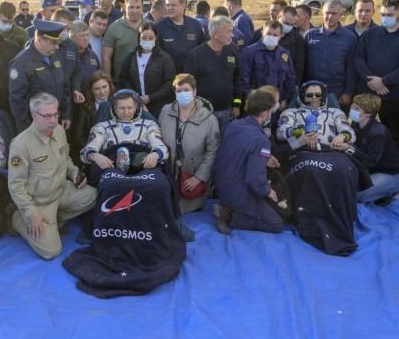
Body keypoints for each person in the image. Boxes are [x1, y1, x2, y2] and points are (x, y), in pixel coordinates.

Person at [7, 93, 97, 260]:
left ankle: (53, 221)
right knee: (51, 252)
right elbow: (15, 186)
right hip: (38, 202)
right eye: (47, 116)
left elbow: (66, 158)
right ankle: (17, 218)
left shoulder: (59, 131)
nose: (53, 120)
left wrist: (74, 173)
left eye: (56, 114)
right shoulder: (21, 145)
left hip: (61, 191)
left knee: (94, 196)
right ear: (34, 115)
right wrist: (32, 214)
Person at [354, 0, 399, 157]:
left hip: (393, 94)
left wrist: (384, 81)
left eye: (390, 15)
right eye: (383, 14)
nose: (385, 18)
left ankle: (395, 169)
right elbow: (358, 58)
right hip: (367, 92)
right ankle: (358, 166)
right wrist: (372, 81)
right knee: (359, 131)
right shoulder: (371, 33)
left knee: (394, 134)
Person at [212, 89, 283, 234]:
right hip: (238, 194)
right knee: (277, 224)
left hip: (221, 187)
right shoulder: (261, 140)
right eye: (270, 111)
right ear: (264, 114)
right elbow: (254, 179)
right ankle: (230, 215)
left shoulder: (233, 125)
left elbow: (235, 153)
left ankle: (228, 208)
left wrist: (263, 160)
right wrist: (267, 190)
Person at [158, 74, 221, 213]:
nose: (183, 94)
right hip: (167, 176)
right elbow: (157, 139)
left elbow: (213, 152)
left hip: (192, 180)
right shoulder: (165, 111)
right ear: (174, 93)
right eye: (179, 91)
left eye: (186, 90)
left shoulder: (209, 119)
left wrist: (198, 178)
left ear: (195, 91)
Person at [334, 93, 399, 205]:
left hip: (391, 174)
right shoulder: (355, 123)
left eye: (356, 108)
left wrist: (349, 149)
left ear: (368, 113)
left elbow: (370, 161)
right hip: (370, 170)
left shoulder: (378, 132)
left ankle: (394, 190)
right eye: (353, 105)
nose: (352, 109)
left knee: (357, 195)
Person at [9, 19, 72, 133]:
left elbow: (64, 85)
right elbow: (17, 99)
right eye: (53, 43)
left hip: (55, 119)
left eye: (58, 42)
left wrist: (66, 114)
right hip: (35, 124)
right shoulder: (21, 62)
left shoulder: (55, 55)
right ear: (39, 39)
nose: (57, 47)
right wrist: (26, 128)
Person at [80, 90, 169, 171]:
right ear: (115, 109)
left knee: (160, 185)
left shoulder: (149, 125)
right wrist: (94, 156)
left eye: (129, 108)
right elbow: (85, 151)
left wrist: (155, 155)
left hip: (143, 165)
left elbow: (162, 148)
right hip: (112, 166)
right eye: (122, 108)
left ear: (135, 108)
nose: (126, 112)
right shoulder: (102, 127)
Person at [183, 16, 242, 130]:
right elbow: (188, 86)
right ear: (215, 34)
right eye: (228, 31)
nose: (232, 35)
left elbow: (237, 80)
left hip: (226, 112)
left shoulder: (232, 52)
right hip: (203, 113)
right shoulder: (196, 55)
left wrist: (236, 105)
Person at [304, 0, 358, 108]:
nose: (330, 16)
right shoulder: (310, 35)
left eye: (334, 13)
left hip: (336, 88)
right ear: (322, 14)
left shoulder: (350, 37)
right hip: (312, 87)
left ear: (340, 15)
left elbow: (351, 67)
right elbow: (302, 64)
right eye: (327, 13)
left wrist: (348, 92)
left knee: (336, 121)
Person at [118, 20, 175, 119]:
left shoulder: (165, 58)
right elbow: (123, 77)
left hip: (159, 107)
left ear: (156, 38)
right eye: (144, 38)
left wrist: (151, 97)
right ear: (139, 37)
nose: (147, 41)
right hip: (136, 106)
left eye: (151, 38)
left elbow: (170, 83)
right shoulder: (131, 57)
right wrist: (134, 95)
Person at [277, 81, 355, 150]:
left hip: (330, 150)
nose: (314, 97)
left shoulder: (335, 112)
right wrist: (301, 132)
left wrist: (342, 136)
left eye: (318, 95)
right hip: (301, 150)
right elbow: (280, 134)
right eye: (310, 95)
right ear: (303, 95)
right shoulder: (291, 112)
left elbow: (351, 134)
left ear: (323, 96)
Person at [239, 20, 296, 111]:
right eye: (268, 34)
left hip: (277, 105)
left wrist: (286, 100)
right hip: (255, 106)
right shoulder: (249, 52)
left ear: (281, 36)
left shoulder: (284, 54)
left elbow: (290, 79)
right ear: (262, 33)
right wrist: (252, 100)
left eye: (275, 35)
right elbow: (243, 80)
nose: (271, 37)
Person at [157, 0, 207, 74]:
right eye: (168, 5)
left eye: (173, 5)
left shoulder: (196, 25)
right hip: (168, 77)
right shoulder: (159, 27)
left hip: (191, 77)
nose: (170, 8)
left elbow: (202, 52)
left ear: (183, 5)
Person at [70, 71, 113, 166]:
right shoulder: (84, 108)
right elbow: (78, 137)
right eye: (97, 89)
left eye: (104, 87)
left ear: (109, 85)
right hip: (92, 153)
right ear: (91, 90)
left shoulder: (118, 102)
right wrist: (94, 150)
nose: (102, 92)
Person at [102, 0, 144, 79]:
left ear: (142, 7)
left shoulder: (151, 26)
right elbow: (106, 58)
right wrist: (108, 82)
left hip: (145, 83)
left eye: (138, 7)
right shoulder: (113, 28)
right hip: (120, 83)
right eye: (131, 7)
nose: (135, 11)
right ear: (124, 7)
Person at [279, 6, 306, 87]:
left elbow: (299, 65)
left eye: (292, 25)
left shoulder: (297, 39)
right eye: (286, 23)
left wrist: (295, 85)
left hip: (285, 83)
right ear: (278, 17)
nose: (288, 27)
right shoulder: (261, 33)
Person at [69, 21, 101, 90]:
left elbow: (98, 76)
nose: (86, 38)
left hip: (90, 95)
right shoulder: (66, 56)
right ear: (72, 37)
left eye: (87, 35)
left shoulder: (92, 55)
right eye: (82, 35)